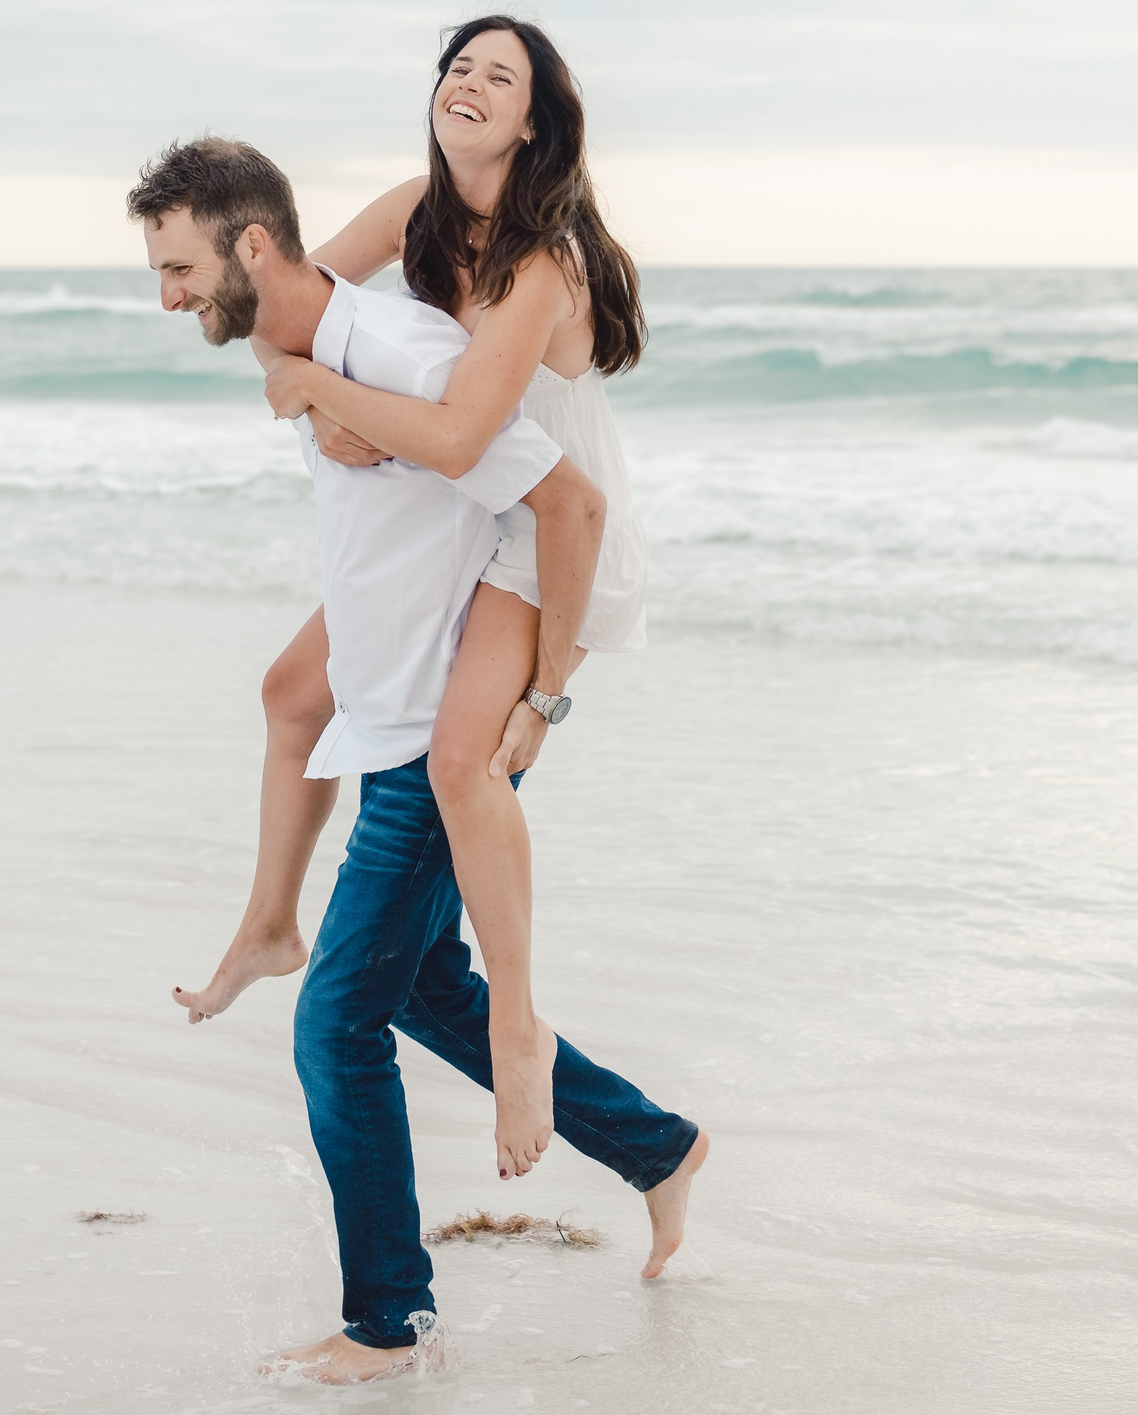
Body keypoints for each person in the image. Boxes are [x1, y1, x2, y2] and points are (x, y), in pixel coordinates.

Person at [131, 136, 704, 1384]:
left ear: (254, 246)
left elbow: (570, 508)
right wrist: (297, 383)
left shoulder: (402, 361)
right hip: (382, 701)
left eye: (177, 268)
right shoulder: (321, 347)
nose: (166, 297)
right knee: (413, 978)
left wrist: (542, 695)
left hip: (431, 728)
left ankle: (389, 1322)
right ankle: (656, 1147)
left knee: (337, 1027)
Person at [172, 16, 648, 1194]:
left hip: (551, 539)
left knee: (457, 766)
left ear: (533, 122)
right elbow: (273, 301)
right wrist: (309, 390)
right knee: (292, 690)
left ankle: (520, 1030)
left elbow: (454, 434)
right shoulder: (413, 208)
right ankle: (270, 923)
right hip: (474, 513)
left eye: (502, 76)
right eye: (458, 68)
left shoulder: (543, 263)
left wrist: (548, 693)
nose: (471, 85)